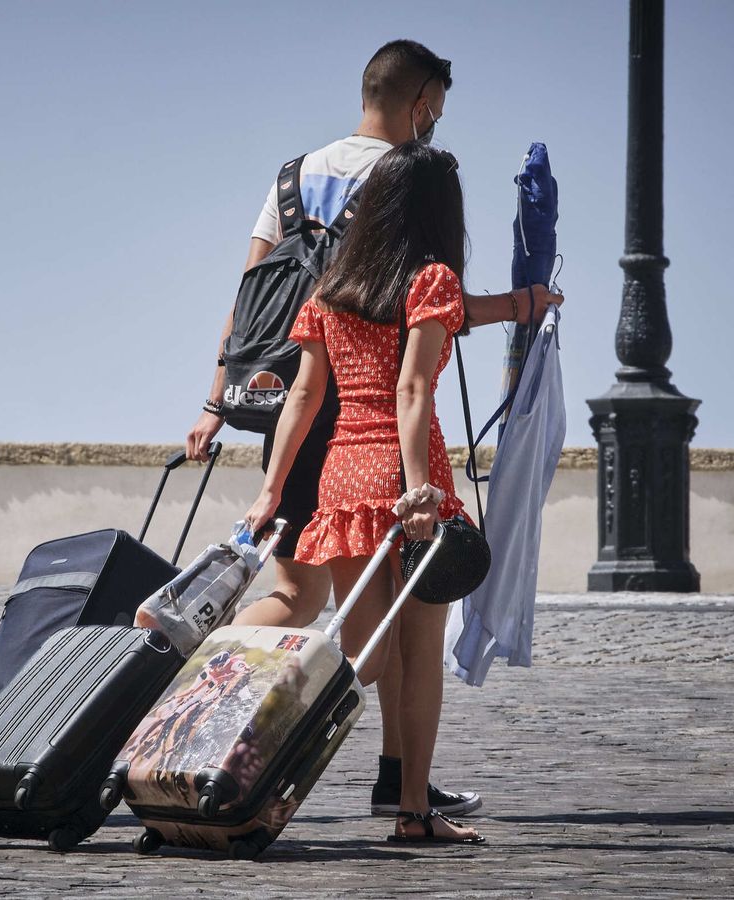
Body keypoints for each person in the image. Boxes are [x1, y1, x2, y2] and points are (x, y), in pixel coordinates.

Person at [187, 38, 534, 822]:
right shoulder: (419, 210)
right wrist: (517, 307)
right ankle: (390, 789)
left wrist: (220, 409)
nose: (435, 127)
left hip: (314, 443)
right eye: (435, 113)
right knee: (387, 639)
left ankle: (222, 708)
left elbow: (253, 311)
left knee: (339, 626)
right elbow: (419, 366)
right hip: (393, 451)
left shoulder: (294, 187)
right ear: (419, 105)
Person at [243, 140, 562, 843]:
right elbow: (413, 387)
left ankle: (273, 781)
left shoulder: (330, 288)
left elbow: (303, 395)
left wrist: (271, 493)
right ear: (437, 213)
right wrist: (420, 491)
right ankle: (412, 812)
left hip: (343, 475)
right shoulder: (432, 278)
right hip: (409, 474)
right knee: (411, 656)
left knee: (365, 656)